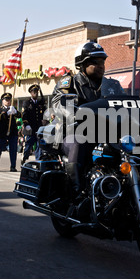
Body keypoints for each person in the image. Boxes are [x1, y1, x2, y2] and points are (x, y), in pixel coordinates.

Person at [51, 41, 124, 196]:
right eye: (95, 62)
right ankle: (75, 190)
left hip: (106, 134)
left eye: (103, 61)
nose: (101, 65)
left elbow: (126, 104)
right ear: (82, 64)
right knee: (79, 142)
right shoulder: (70, 83)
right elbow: (59, 103)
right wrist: (73, 113)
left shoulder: (113, 85)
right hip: (73, 132)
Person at [0, 92, 22, 172]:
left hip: (12, 131)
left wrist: (15, 112)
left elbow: (20, 115)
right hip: (2, 131)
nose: (8, 101)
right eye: (6, 100)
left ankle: (13, 166)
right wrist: (6, 112)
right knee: (0, 148)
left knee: (13, 149)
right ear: (3, 101)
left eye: (9, 100)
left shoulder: (13, 108)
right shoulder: (0, 109)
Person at [21, 84, 46, 164]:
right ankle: (24, 157)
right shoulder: (27, 103)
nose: (35, 93)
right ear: (31, 93)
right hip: (30, 127)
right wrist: (26, 124)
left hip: (38, 127)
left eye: (37, 92)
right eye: (34, 92)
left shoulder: (39, 103)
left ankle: (38, 160)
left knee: (39, 144)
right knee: (29, 144)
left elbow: (43, 114)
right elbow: (24, 115)